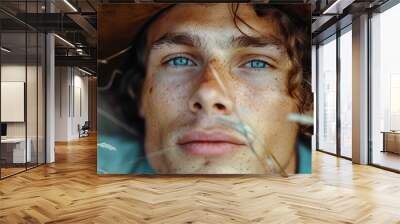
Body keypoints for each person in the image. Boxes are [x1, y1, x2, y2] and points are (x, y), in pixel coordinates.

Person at [98, 3, 312, 175]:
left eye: (257, 63)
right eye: (179, 60)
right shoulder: (102, 163)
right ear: (139, 95)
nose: (209, 94)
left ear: (307, 103)